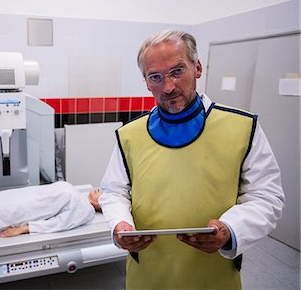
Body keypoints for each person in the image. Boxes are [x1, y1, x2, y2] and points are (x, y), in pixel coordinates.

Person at [99, 29, 285, 289]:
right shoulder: (129, 135)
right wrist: (121, 225)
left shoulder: (242, 128)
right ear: (146, 81)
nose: (168, 87)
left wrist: (230, 230)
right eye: (156, 77)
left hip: (213, 274)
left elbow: (267, 197)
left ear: (197, 68)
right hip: (149, 274)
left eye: (177, 71)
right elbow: (113, 191)